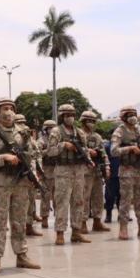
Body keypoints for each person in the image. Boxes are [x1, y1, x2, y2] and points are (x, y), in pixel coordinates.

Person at [0, 98, 41, 273]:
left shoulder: (23, 133)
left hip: (20, 183)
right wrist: (4, 158)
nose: (8, 112)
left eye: (11, 108)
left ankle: (21, 255)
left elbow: (34, 153)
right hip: (0, 184)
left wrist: (32, 172)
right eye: (4, 108)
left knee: (19, 221)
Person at [46, 104, 92, 245]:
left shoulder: (79, 132)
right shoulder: (56, 131)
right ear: (62, 116)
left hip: (78, 171)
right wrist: (63, 145)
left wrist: (87, 158)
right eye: (67, 115)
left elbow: (85, 149)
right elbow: (50, 151)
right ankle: (60, 233)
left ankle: (76, 232)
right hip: (63, 171)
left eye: (72, 115)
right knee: (62, 202)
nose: (70, 118)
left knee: (79, 201)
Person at [110, 106, 140, 240]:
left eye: (134, 114)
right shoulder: (119, 131)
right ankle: (123, 227)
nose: (133, 117)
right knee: (126, 200)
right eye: (129, 114)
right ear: (123, 117)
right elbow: (114, 151)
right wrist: (130, 148)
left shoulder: (139, 130)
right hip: (127, 170)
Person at [80, 111, 111, 233]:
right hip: (84, 170)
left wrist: (107, 166)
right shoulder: (79, 134)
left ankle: (97, 221)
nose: (91, 123)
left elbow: (103, 153)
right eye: (88, 120)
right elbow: (76, 148)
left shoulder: (97, 136)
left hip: (97, 170)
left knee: (98, 197)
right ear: (83, 121)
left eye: (93, 121)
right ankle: (82, 222)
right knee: (84, 197)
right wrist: (88, 151)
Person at [37, 120, 57, 228]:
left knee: (59, 197)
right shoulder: (41, 141)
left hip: (58, 170)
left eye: (53, 128)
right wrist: (48, 151)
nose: (51, 130)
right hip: (46, 170)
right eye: (49, 128)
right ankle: (44, 218)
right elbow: (37, 154)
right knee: (45, 196)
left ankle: (58, 218)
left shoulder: (58, 140)